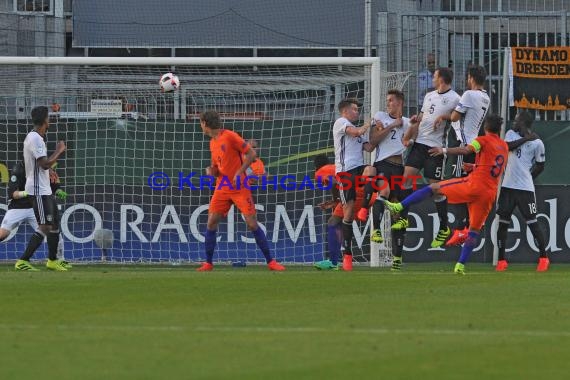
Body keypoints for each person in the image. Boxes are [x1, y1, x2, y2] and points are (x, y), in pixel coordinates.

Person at [385, 114, 508, 275]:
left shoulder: (483, 140)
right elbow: (494, 167)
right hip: (489, 193)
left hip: (474, 185)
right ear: (499, 130)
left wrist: (443, 150)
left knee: (434, 187)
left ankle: (399, 205)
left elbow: (466, 149)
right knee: (474, 230)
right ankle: (460, 265)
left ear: (485, 128)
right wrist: (474, 166)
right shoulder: (504, 146)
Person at [197, 110, 285, 271]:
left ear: (205, 123)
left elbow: (251, 153)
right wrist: (211, 171)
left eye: (200, 123)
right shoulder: (212, 143)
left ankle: (271, 262)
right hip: (222, 187)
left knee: (252, 224)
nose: (200, 126)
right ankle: (208, 263)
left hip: (239, 187)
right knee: (211, 222)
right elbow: (217, 168)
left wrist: (239, 172)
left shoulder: (230, 136)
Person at [401, 67, 460, 247]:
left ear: (441, 79)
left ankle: (444, 227)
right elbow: (421, 117)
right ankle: (403, 218)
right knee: (405, 180)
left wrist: (444, 116)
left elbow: (458, 118)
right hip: (419, 145)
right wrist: (411, 131)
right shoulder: (429, 96)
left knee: (435, 188)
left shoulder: (456, 98)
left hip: (435, 148)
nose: (432, 79)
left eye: (434, 76)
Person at [434, 65, 490, 246]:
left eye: (468, 77)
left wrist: (444, 115)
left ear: (471, 78)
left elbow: (456, 117)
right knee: (467, 188)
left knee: (453, 186)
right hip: (474, 147)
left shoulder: (469, 95)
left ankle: (459, 228)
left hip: (462, 146)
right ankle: (465, 227)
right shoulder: (485, 97)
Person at [355, 89, 411, 271]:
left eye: (391, 100)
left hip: (400, 168)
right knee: (384, 191)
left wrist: (414, 126)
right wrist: (391, 125)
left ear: (400, 102)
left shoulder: (408, 122)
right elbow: (373, 141)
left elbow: (412, 139)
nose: (388, 103)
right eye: (387, 100)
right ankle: (376, 229)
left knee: (399, 214)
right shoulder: (380, 117)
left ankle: (397, 258)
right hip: (382, 165)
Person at [496, 111, 549, 272]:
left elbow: (541, 165)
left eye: (517, 120)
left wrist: (529, 178)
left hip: (525, 189)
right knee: (503, 224)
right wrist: (526, 138)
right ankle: (501, 260)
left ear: (524, 123)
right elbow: (507, 147)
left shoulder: (538, 143)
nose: (514, 122)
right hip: (507, 187)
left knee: (533, 224)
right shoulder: (511, 134)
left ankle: (543, 258)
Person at [20, 106, 67, 271]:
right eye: (49, 117)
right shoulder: (35, 139)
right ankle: (23, 261)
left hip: (45, 189)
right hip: (38, 190)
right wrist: (59, 151)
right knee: (45, 226)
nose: (51, 119)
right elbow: (44, 164)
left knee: (54, 224)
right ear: (44, 120)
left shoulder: (38, 137)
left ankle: (52, 260)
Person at [313, 154, 377, 271]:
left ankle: (334, 261)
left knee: (334, 222)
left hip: (357, 193)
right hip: (369, 193)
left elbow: (332, 182)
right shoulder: (334, 167)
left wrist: (335, 200)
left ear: (316, 167)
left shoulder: (320, 172)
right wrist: (335, 201)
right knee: (338, 222)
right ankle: (337, 259)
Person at [333, 98, 376, 271]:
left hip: (358, 168)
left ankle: (365, 208)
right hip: (344, 172)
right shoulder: (341, 122)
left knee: (371, 170)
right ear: (345, 111)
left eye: (358, 109)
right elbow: (356, 132)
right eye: (354, 109)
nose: (357, 112)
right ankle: (347, 253)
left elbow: (369, 148)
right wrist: (368, 124)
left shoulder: (359, 130)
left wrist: (383, 129)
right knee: (348, 213)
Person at [3, 162, 69, 271]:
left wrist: (58, 190)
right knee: (3, 234)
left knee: (54, 233)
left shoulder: (45, 169)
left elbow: (54, 185)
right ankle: (25, 261)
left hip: (35, 207)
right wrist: (28, 193)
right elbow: (13, 194)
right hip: (17, 208)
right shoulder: (19, 169)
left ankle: (59, 260)